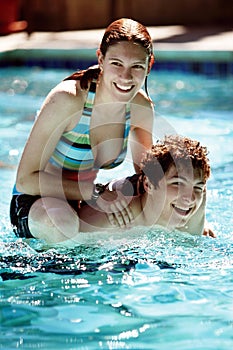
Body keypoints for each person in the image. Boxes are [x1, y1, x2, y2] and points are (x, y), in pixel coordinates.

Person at [10, 18, 155, 241]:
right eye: (117, 63)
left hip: (87, 198)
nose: (126, 77)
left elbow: (147, 180)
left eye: (136, 66)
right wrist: (95, 192)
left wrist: (191, 217)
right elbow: (25, 180)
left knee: (139, 209)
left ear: (149, 65)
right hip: (39, 201)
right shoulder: (69, 100)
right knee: (62, 225)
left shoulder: (140, 108)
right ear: (101, 59)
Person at [19, 135, 215, 243]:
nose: (189, 198)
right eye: (177, 184)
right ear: (149, 185)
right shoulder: (110, 219)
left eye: (198, 187)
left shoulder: (193, 213)